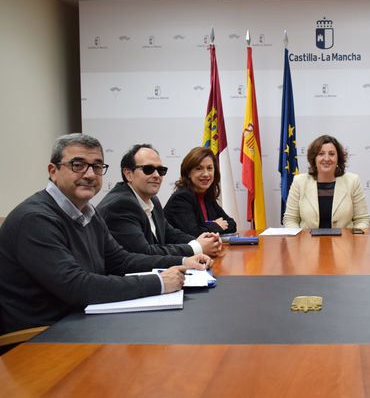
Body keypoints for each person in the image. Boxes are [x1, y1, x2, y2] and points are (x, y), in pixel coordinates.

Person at [0, 134, 211, 334]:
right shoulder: (35, 219)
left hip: (82, 321)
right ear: (53, 170)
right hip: (39, 338)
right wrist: (160, 283)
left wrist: (183, 261)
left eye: (97, 166)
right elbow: (77, 286)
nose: (90, 174)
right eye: (78, 165)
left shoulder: (88, 212)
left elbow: (122, 261)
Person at [97, 144, 222, 257]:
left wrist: (204, 240)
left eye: (161, 170)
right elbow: (144, 253)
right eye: (148, 169)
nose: (157, 175)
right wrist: (197, 247)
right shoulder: (120, 205)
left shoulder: (153, 200)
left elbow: (170, 234)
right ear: (128, 174)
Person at [283, 135, 370, 229]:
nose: (326, 158)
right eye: (321, 154)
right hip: (308, 242)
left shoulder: (352, 181)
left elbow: (362, 220)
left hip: (344, 242)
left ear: (338, 158)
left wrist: (352, 239)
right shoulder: (299, 182)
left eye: (331, 154)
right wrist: (299, 239)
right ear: (314, 158)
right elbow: (290, 219)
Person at [164, 147, 237, 236]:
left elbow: (232, 224)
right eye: (199, 168)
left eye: (209, 168)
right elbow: (193, 234)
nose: (206, 174)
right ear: (188, 173)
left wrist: (206, 226)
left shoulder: (206, 196)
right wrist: (215, 225)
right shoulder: (181, 197)